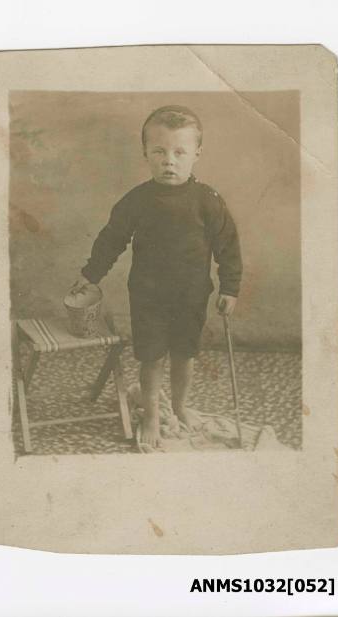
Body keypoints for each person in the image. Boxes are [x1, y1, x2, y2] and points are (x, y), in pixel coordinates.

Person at [71, 105, 242, 447]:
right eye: (159, 151)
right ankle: (150, 414)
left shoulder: (208, 201)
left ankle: (179, 406)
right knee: (151, 357)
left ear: (197, 154)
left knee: (184, 356)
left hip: (192, 295)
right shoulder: (137, 200)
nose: (169, 161)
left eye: (180, 152)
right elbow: (111, 239)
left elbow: (228, 246)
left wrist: (230, 288)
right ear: (146, 153)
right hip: (148, 297)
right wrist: (91, 274)